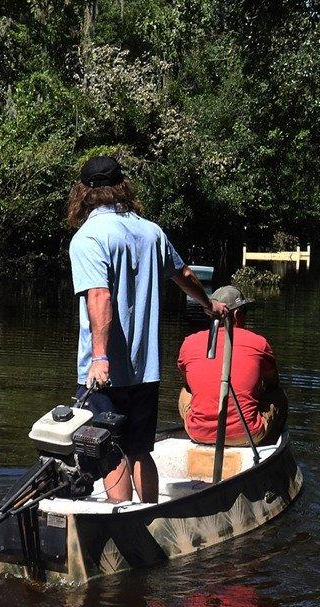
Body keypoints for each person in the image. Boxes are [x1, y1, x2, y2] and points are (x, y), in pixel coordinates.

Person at [68, 155, 227, 503]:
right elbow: (184, 275)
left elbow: (98, 295)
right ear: (122, 186)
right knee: (140, 450)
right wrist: (208, 304)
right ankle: (151, 517)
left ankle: (124, 529)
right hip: (145, 370)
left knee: (111, 453)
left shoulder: (88, 237)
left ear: (83, 192)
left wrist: (98, 357)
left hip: (104, 371)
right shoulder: (151, 231)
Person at [177, 285, 287, 446]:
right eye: (245, 312)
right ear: (237, 314)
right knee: (279, 394)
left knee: (185, 391)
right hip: (248, 435)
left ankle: (204, 431)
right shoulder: (259, 343)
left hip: (198, 433)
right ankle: (270, 446)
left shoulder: (189, 343)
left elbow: (188, 383)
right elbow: (273, 383)